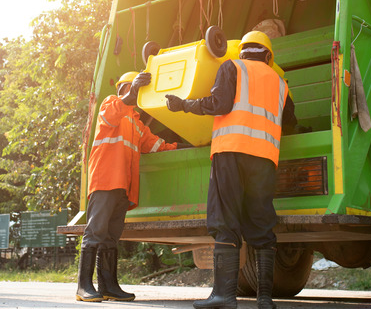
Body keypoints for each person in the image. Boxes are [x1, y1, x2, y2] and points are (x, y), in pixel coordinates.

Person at [165, 31, 296, 309]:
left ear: (243, 51)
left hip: (230, 152)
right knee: (261, 224)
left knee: (225, 221)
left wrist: (182, 105)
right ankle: (264, 298)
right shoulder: (281, 83)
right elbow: (291, 123)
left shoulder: (232, 67)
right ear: (269, 56)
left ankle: (224, 295)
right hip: (264, 159)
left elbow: (219, 104)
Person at [77, 71, 184, 302]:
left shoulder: (136, 123)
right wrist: (131, 93)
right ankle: (83, 286)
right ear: (126, 88)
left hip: (122, 187)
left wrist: (184, 146)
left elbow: (157, 146)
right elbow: (112, 114)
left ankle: (108, 286)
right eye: (136, 89)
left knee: (111, 237)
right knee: (95, 232)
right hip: (105, 181)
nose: (138, 95)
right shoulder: (110, 104)